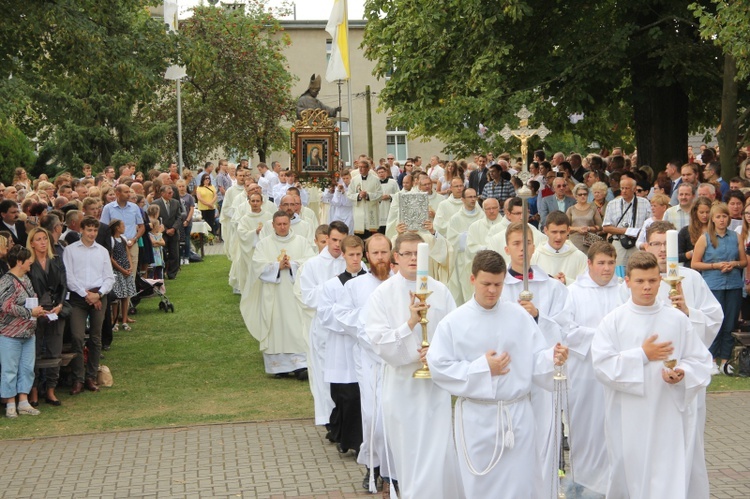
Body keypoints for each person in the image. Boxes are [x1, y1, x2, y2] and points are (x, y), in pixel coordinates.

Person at [428, 250, 568, 498]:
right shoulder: (453, 323)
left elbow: (534, 360)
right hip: (477, 418)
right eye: (486, 284)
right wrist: (483, 369)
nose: (492, 290)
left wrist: (552, 358)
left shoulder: (519, 317)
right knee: (481, 487)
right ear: (472, 280)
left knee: (520, 485)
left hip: (517, 418)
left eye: (498, 284)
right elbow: (439, 367)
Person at [592, 251, 712, 498]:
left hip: (669, 413)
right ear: (627, 282)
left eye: (652, 280)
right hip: (628, 416)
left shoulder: (677, 319)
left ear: (660, 280)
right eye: (639, 281)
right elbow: (602, 365)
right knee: (631, 476)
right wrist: (643, 355)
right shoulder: (613, 321)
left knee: (668, 477)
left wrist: (682, 373)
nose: (647, 287)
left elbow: (699, 359)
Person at [364, 232, 462, 499]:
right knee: (409, 454)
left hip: (433, 389)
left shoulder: (440, 291)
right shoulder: (382, 294)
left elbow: (455, 334)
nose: (412, 259)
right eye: (406, 253)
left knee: (438, 450)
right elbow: (379, 342)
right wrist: (409, 324)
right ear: (396, 257)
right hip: (401, 386)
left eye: (417, 254)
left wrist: (437, 354)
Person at [640, 221, 723, 496]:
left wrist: (689, 312)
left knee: (687, 443)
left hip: (685, 377)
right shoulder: (638, 281)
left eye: (667, 244)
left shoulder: (692, 279)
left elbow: (714, 318)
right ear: (646, 246)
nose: (663, 250)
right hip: (650, 380)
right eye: (656, 244)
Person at [500, 222, 570, 495]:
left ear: (534, 246)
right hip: (510, 375)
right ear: (507, 248)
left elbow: (564, 329)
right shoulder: (499, 286)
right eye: (516, 244)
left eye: (527, 243)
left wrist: (538, 316)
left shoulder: (552, 287)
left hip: (542, 377)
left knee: (544, 439)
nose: (522, 249)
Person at [332, 234, 395, 493]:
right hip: (369, 360)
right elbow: (343, 315)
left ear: (392, 254)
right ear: (367, 256)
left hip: (396, 362)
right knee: (372, 417)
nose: (380, 258)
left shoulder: (400, 284)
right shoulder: (355, 287)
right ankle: (373, 466)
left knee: (393, 416)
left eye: (385, 252)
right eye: (375, 253)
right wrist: (371, 321)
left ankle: (395, 470)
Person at [563, 241, 623, 495]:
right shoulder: (573, 292)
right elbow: (566, 330)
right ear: (589, 264)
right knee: (586, 428)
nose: (607, 269)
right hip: (584, 374)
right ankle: (583, 482)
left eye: (611, 263)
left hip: (616, 373)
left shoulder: (623, 292)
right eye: (601, 263)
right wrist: (603, 337)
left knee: (614, 428)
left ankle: (614, 483)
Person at [244, 211, 316, 377]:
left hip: (295, 294)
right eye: (279, 224)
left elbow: (310, 262)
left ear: (289, 224)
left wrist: (293, 265)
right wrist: (277, 267)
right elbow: (256, 266)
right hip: (273, 294)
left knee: (296, 327)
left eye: (285, 224)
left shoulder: (301, 242)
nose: (282, 227)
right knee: (276, 327)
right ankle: (279, 367)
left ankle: (300, 366)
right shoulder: (264, 244)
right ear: (273, 225)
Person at [317, 235, 368, 456]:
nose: (355, 259)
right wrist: (352, 323)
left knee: (361, 394)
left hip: (366, 346)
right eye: (351, 255)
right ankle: (346, 438)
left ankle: (362, 441)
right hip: (342, 345)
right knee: (345, 394)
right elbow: (326, 315)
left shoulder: (371, 281)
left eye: (359, 254)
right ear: (343, 255)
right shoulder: (332, 285)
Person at [297, 221, 350, 420]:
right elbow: (308, 297)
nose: (337, 245)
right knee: (325, 375)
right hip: (324, 329)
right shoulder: (312, 265)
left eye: (342, 241)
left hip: (347, 328)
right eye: (334, 240)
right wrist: (333, 284)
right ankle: (330, 418)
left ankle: (347, 419)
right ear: (326, 239)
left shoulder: (353, 261)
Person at [691, 202, 747, 374]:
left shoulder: (736, 237)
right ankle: (712, 359)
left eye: (724, 216)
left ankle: (726, 360)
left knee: (730, 323)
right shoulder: (705, 238)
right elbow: (695, 263)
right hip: (713, 285)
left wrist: (734, 264)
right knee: (714, 321)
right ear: (712, 219)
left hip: (733, 285)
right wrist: (715, 265)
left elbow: (744, 261)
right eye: (718, 217)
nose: (722, 220)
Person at [63, 216, 115, 395]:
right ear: (81, 230)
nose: (92, 233)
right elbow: (69, 277)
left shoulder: (101, 251)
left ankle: (91, 376)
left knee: (95, 337)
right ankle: (78, 377)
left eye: (95, 230)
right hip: (78, 297)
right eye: (89, 230)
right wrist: (87, 295)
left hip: (98, 296)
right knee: (77, 337)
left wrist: (98, 294)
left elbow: (109, 277)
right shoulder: (70, 250)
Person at [0, 245, 45, 418]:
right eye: (28, 260)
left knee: (27, 368)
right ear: (19, 262)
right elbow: (5, 306)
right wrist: (29, 313)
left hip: (28, 332)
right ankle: (10, 403)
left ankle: (24, 401)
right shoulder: (6, 281)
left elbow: (31, 298)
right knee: (9, 369)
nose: (31, 262)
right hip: (9, 334)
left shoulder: (26, 278)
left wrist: (38, 311)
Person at [27, 227, 67, 407]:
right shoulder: (28, 263)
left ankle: (51, 389)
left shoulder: (56, 260)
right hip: (35, 312)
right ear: (32, 243)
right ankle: (34, 390)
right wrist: (36, 309)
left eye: (45, 238)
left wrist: (59, 306)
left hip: (55, 310)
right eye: (38, 239)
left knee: (54, 350)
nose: (43, 242)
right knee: (33, 353)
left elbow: (63, 286)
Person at [446, 188, 485, 305]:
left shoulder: (482, 216)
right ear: (462, 199)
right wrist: (467, 238)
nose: (473, 199)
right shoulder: (455, 218)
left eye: (475, 196)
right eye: (470, 197)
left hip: (480, 259)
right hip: (461, 260)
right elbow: (451, 241)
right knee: (463, 291)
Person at [602, 176, 652, 266]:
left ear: (634, 189)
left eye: (627, 188)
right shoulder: (613, 204)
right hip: (619, 242)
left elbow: (650, 224)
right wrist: (625, 231)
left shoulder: (644, 203)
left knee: (639, 269)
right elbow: (605, 227)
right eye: (622, 188)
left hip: (638, 242)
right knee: (619, 272)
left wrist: (638, 232)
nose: (624, 191)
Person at [100, 184, 145, 280]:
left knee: (131, 271)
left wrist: (135, 239)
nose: (129, 194)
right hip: (115, 243)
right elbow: (104, 227)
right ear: (117, 193)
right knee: (117, 272)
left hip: (131, 243)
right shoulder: (108, 208)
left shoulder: (134, 207)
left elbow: (141, 226)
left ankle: (130, 293)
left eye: (129, 192)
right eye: (126, 192)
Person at [531, 211, 588, 285]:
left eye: (562, 232)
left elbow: (586, 286)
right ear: (546, 231)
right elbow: (531, 285)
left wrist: (566, 281)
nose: (558, 237)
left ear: (568, 231)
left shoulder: (580, 257)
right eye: (554, 232)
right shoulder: (534, 257)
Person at [108, 219, 137, 331]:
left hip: (126, 270)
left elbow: (127, 254)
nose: (124, 227)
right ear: (117, 228)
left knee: (125, 296)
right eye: (122, 225)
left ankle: (124, 320)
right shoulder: (111, 240)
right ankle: (115, 321)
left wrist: (130, 266)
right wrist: (121, 269)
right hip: (117, 272)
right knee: (117, 297)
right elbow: (111, 258)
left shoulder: (123, 239)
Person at [152, 185, 183, 280]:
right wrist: (165, 230)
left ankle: (172, 274)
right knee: (164, 253)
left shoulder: (176, 202)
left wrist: (174, 228)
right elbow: (154, 218)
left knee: (175, 253)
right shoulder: (156, 203)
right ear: (162, 193)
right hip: (162, 233)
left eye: (172, 193)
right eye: (169, 193)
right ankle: (163, 271)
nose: (171, 194)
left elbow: (179, 217)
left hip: (174, 232)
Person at [347, 159, 383, 237]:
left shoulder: (375, 179)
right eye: (359, 167)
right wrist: (359, 196)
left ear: (368, 168)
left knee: (371, 236)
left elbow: (380, 194)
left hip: (371, 210)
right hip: (359, 212)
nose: (360, 169)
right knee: (359, 236)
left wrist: (367, 195)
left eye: (363, 167)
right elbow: (349, 194)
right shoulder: (354, 179)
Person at [566, 183, 603, 252]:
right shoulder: (570, 209)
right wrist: (578, 229)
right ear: (575, 196)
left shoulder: (593, 208)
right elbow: (565, 227)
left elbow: (600, 226)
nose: (583, 196)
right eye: (580, 194)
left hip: (590, 243)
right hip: (574, 243)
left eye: (585, 194)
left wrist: (588, 228)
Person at [678, 196, 712, 268]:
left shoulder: (716, 230)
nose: (705, 215)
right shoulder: (685, 231)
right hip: (691, 270)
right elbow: (677, 256)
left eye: (707, 212)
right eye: (701, 212)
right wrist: (693, 253)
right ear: (695, 212)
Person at [376, 166, 399, 234]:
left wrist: (390, 196)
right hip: (380, 210)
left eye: (382, 172)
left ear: (386, 172)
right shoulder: (375, 183)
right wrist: (380, 197)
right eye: (379, 173)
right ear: (377, 174)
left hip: (390, 207)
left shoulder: (393, 182)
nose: (381, 174)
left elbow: (398, 194)